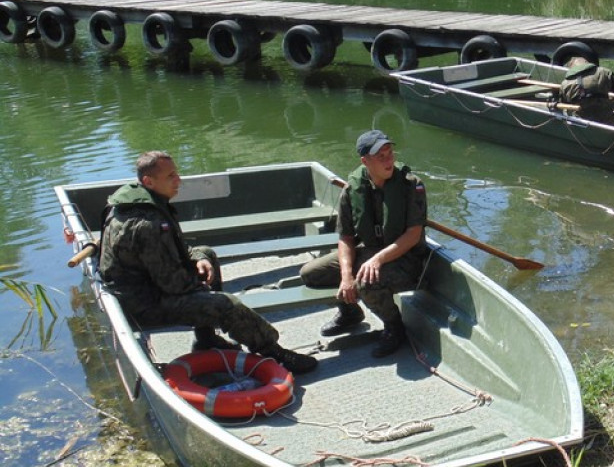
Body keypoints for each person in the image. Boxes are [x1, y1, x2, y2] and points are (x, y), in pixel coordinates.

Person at [98, 151, 318, 375]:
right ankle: (274, 352)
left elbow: (175, 249)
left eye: (177, 173)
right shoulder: (147, 223)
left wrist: (199, 259)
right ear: (148, 181)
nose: (179, 180)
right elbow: (175, 286)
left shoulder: (133, 202)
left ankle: (206, 339)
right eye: (171, 176)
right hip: (142, 306)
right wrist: (205, 292)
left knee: (206, 253)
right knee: (226, 305)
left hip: (143, 288)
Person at [299, 130, 428, 358]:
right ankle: (350, 312)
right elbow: (346, 238)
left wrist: (377, 260)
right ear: (365, 161)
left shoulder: (411, 186)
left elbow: (413, 235)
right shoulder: (353, 189)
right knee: (311, 273)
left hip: (407, 261)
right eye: (381, 156)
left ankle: (394, 327)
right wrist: (346, 275)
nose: (389, 160)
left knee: (366, 283)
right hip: (369, 253)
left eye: (390, 153)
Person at [558, 56, 614, 127]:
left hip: (581, 123)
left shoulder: (565, 84)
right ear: (586, 63)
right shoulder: (603, 72)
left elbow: (564, 105)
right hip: (607, 122)